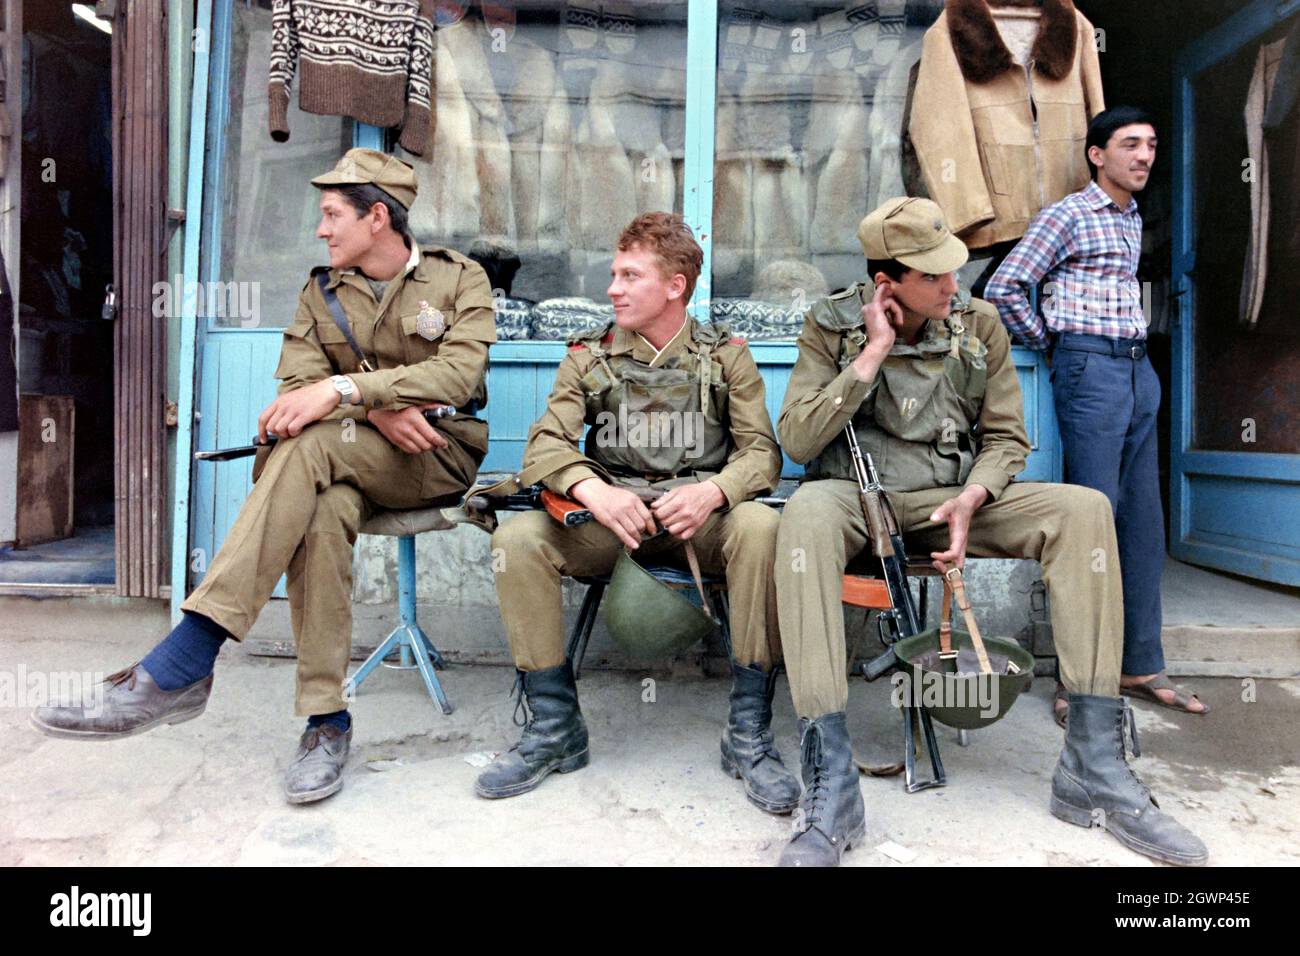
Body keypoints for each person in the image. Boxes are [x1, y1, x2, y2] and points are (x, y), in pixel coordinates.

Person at [32, 149, 497, 804]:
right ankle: (326, 722)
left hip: (437, 454)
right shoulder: (321, 291)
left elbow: (457, 378)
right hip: (351, 452)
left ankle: (184, 660)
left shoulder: (461, 280)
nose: (321, 229)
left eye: (333, 215)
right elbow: (292, 394)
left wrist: (348, 392)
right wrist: (374, 407)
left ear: (378, 217)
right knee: (323, 505)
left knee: (309, 453)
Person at [772, 196, 1207, 867]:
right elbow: (798, 438)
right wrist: (870, 357)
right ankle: (833, 785)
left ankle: (1093, 766)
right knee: (801, 514)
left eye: (955, 270)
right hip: (860, 500)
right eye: (934, 276)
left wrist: (976, 494)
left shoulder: (979, 323)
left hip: (957, 498)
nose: (954, 285)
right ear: (888, 284)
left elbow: (1006, 437)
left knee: (1084, 509)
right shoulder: (831, 324)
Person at [478, 212, 800, 815]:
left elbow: (762, 453)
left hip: (695, 523)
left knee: (761, 526)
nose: (613, 288)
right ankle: (555, 727)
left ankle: (749, 733)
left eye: (630, 275)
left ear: (675, 286)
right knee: (518, 538)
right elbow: (547, 443)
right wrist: (592, 491)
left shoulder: (725, 358)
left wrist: (715, 493)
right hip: (613, 523)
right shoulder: (589, 357)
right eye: (613, 274)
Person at [984, 106, 1208, 725]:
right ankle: (1080, 678)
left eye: (1152, 145)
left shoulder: (1135, 217)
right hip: (1090, 369)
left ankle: (1139, 663)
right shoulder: (1068, 215)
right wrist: (1055, 344)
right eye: (1130, 144)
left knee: (1141, 521)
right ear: (1096, 154)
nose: (1144, 156)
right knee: (1090, 519)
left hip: (1139, 371)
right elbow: (1004, 287)